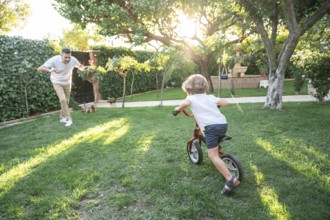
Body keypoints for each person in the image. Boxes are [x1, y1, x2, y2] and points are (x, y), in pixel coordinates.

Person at [173, 74, 240, 195]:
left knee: (212, 155)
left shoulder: (191, 99)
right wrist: (217, 104)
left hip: (210, 127)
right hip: (223, 125)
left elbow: (183, 104)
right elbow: (225, 102)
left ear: (189, 89)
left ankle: (230, 179)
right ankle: (223, 159)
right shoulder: (210, 97)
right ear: (205, 87)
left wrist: (177, 109)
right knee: (213, 142)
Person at [37, 48, 88, 127]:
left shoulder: (73, 59)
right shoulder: (54, 60)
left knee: (65, 101)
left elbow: (80, 67)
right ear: (61, 56)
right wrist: (50, 70)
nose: (67, 59)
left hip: (67, 82)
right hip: (57, 82)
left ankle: (62, 117)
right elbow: (40, 68)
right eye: (65, 57)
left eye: (69, 57)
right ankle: (68, 119)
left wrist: (84, 68)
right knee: (63, 99)